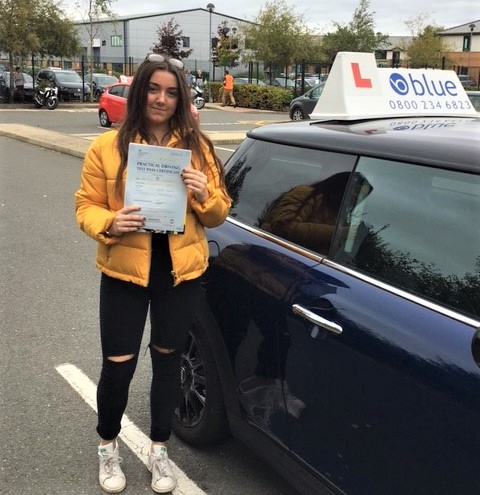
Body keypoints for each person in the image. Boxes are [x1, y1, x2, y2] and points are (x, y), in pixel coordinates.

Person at [75, 53, 231, 494]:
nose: (161, 99)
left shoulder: (197, 148)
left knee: (168, 365)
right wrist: (109, 222)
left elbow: (220, 213)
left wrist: (203, 194)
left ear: (180, 98)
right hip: (125, 272)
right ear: (140, 91)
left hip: (180, 274)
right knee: (118, 365)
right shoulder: (105, 149)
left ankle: (158, 449)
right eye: (153, 89)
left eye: (171, 92)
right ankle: (108, 444)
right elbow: (85, 206)